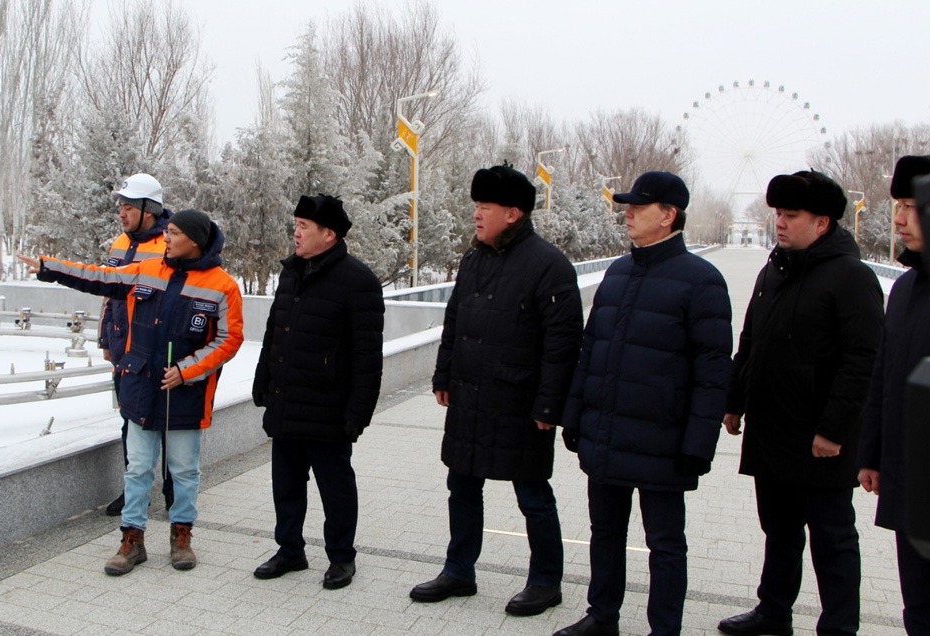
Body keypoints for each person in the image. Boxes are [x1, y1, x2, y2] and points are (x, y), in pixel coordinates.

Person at [18, 208, 244, 575]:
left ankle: (181, 536)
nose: (166, 238)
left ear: (195, 241)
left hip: (185, 394)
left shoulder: (223, 286)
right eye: (167, 231)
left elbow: (229, 339)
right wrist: (49, 268)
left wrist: (186, 371)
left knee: (184, 470)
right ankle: (132, 540)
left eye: (173, 233)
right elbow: (99, 277)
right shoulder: (146, 270)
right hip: (141, 387)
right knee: (137, 468)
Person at [555, 170, 733, 636]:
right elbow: (591, 350)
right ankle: (602, 616)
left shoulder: (702, 281)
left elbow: (714, 373)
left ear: (669, 215)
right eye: (627, 207)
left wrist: (698, 443)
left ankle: (664, 629)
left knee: (665, 544)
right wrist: (575, 416)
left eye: (638, 207)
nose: (628, 214)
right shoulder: (618, 272)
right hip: (607, 433)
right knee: (605, 533)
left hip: (664, 442)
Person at [408, 164, 583, 619]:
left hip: (519, 402)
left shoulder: (549, 265)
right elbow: (454, 321)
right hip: (469, 395)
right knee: (461, 485)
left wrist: (550, 405)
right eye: (476, 205)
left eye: (485, 206)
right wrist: (443, 376)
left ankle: (545, 581)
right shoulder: (474, 259)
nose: (476, 214)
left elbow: (563, 344)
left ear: (513, 213)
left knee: (533, 494)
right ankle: (458, 571)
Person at [718, 170, 883, 636]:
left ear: (822, 222)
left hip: (820, 440)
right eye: (778, 214)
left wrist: (833, 430)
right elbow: (750, 341)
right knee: (779, 531)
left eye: (792, 215)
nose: (780, 223)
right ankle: (773, 613)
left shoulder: (852, 277)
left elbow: (863, 361)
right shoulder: (775, 269)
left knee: (832, 539)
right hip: (772, 430)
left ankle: (839, 627)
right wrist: (735, 401)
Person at [251, 194, 384, 591]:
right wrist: (263, 380)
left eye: (303, 226)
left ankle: (341, 557)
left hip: (329, 410)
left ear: (329, 235)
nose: (296, 232)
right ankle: (290, 550)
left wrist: (358, 413)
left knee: (335, 488)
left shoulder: (358, 281)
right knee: (286, 484)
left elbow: (367, 357)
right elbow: (275, 332)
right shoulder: (291, 273)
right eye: (296, 224)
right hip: (286, 400)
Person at [857, 155, 930, 635]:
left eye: (911, 206)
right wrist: (873, 454)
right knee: (918, 607)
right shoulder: (904, 290)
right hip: (911, 481)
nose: (899, 219)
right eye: (897, 205)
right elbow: (883, 377)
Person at [102, 173, 172, 516]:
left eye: (128, 206)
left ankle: (174, 493)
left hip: (157, 354)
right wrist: (106, 338)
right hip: (124, 352)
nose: (122, 212)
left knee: (169, 424)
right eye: (121, 206)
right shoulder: (119, 243)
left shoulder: (170, 244)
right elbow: (109, 293)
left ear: (149, 208)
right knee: (129, 420)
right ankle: (134, 492)